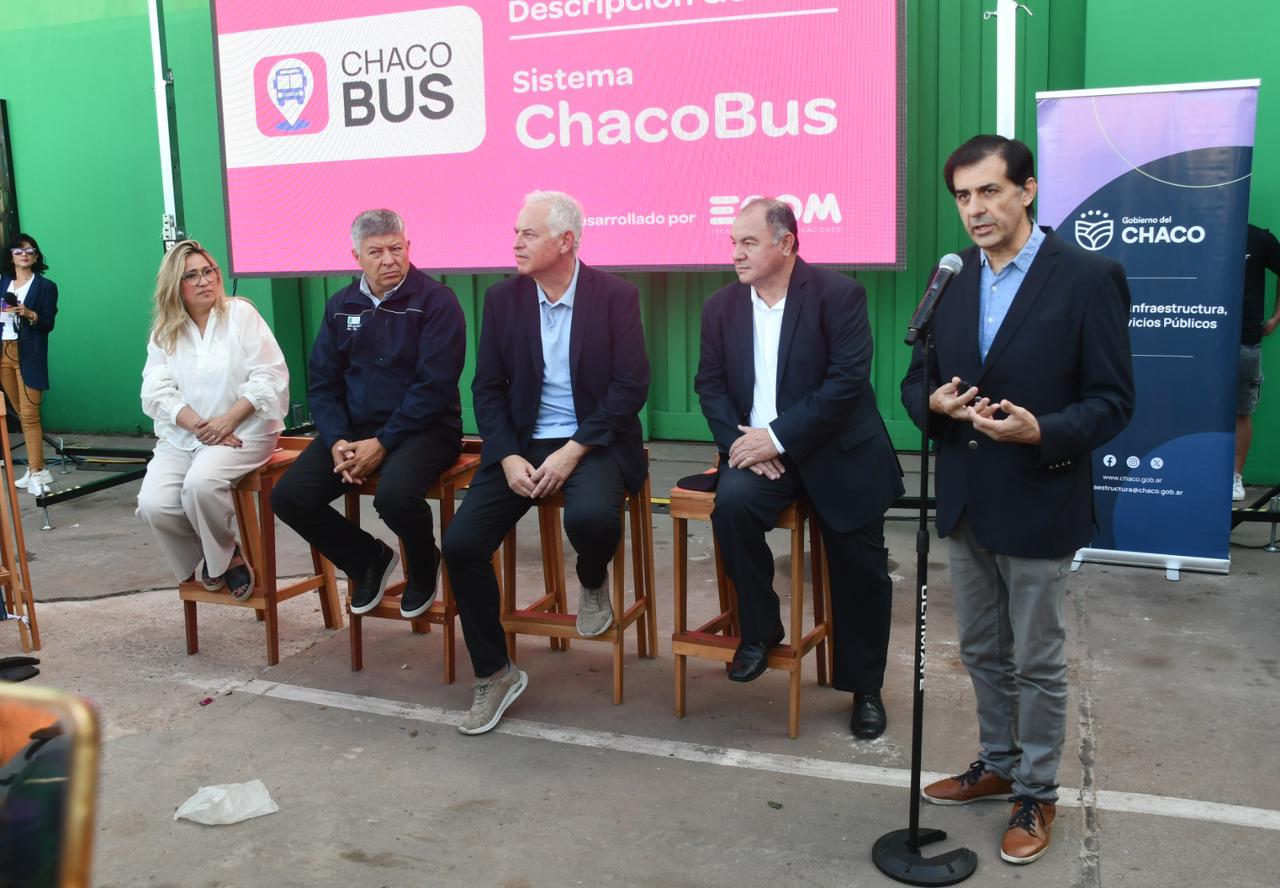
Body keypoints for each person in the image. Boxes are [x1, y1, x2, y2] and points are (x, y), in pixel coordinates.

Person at [901, 135, 1134, 865]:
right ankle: (998, 763)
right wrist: (932, 404)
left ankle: (1036, 791)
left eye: (990, 191)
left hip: (1039, 496)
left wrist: (1045, 431)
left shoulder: (1088, 277)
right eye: (963, 196)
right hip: (966, 499)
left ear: (1027, 190)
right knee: (980, 649)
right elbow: (916, 379)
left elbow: (1113, 399)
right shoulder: (950, 276)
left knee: (1036, 658)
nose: (975, 209)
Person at [693, 198, 903, 740]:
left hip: (838, 451)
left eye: (749, 243)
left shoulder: (838, 294)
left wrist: (778, 437)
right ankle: (761, 629)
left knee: (859, 567)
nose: (736, 254)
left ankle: (864, 687)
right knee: (731, 508)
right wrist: (740, 445)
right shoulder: (720, 307)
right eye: (733, 242)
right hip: (759, 454)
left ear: (785, 243)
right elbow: (709, 387)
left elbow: (846, 382)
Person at [442, 190, 650, 736]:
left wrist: (574, 448)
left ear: (565, 241)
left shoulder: (616, 296)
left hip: (594, 440)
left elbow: (630, 387)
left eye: (528, 234)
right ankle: (495, 672)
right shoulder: (503, 299)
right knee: (461, 545)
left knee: (591, 519)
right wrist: (508, 454)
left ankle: (591, 577)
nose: (516, 243)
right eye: (516, 232)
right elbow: (487, 388)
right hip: (521, 443)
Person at [271, 209, 465, 621]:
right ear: (356, 256)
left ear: (409, 247)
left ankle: (423, 560)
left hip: (425, 429)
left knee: (394, 497)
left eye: (396, 249)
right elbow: (323, 383)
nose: (389, 260)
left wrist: (383, 443)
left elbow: (434, 387)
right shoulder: (341, 306)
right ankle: (367, 558)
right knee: (289, 497)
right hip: (354, 430)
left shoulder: (437, 302)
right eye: (376, 252)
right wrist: (337, 439)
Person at [137, 240, 289, 599]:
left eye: (209, 271)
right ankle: (219, 550)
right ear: (175, 286)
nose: (205, 280)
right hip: (183, 437)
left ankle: (222, 560)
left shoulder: (241, 314)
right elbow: (156, 391)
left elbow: (270, 376)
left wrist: (227, 422)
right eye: (192, 275)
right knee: (153, 505)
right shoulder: (164, 332)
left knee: (200, 485)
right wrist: (200, 427)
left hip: (244, 431)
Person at [0, 233, 59, 496]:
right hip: (4, 353)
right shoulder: (3, 283)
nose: (24, 254)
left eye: (29, 250)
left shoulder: (46, 286)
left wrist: (29, 314)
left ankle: (37, 473)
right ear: (11, 256)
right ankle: (37, 468)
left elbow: (48, 323)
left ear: (35, 257)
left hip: (29, 354)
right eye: (18, 250)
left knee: (31, 415)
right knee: (21, 414)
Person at [1233, 223, 1280, 501]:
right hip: (1201, 339)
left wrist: (1277, 316)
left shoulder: (1259, 238)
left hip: (1245, 340)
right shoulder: (1198, 231)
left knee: (1241, 410)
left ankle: (1235, 477)